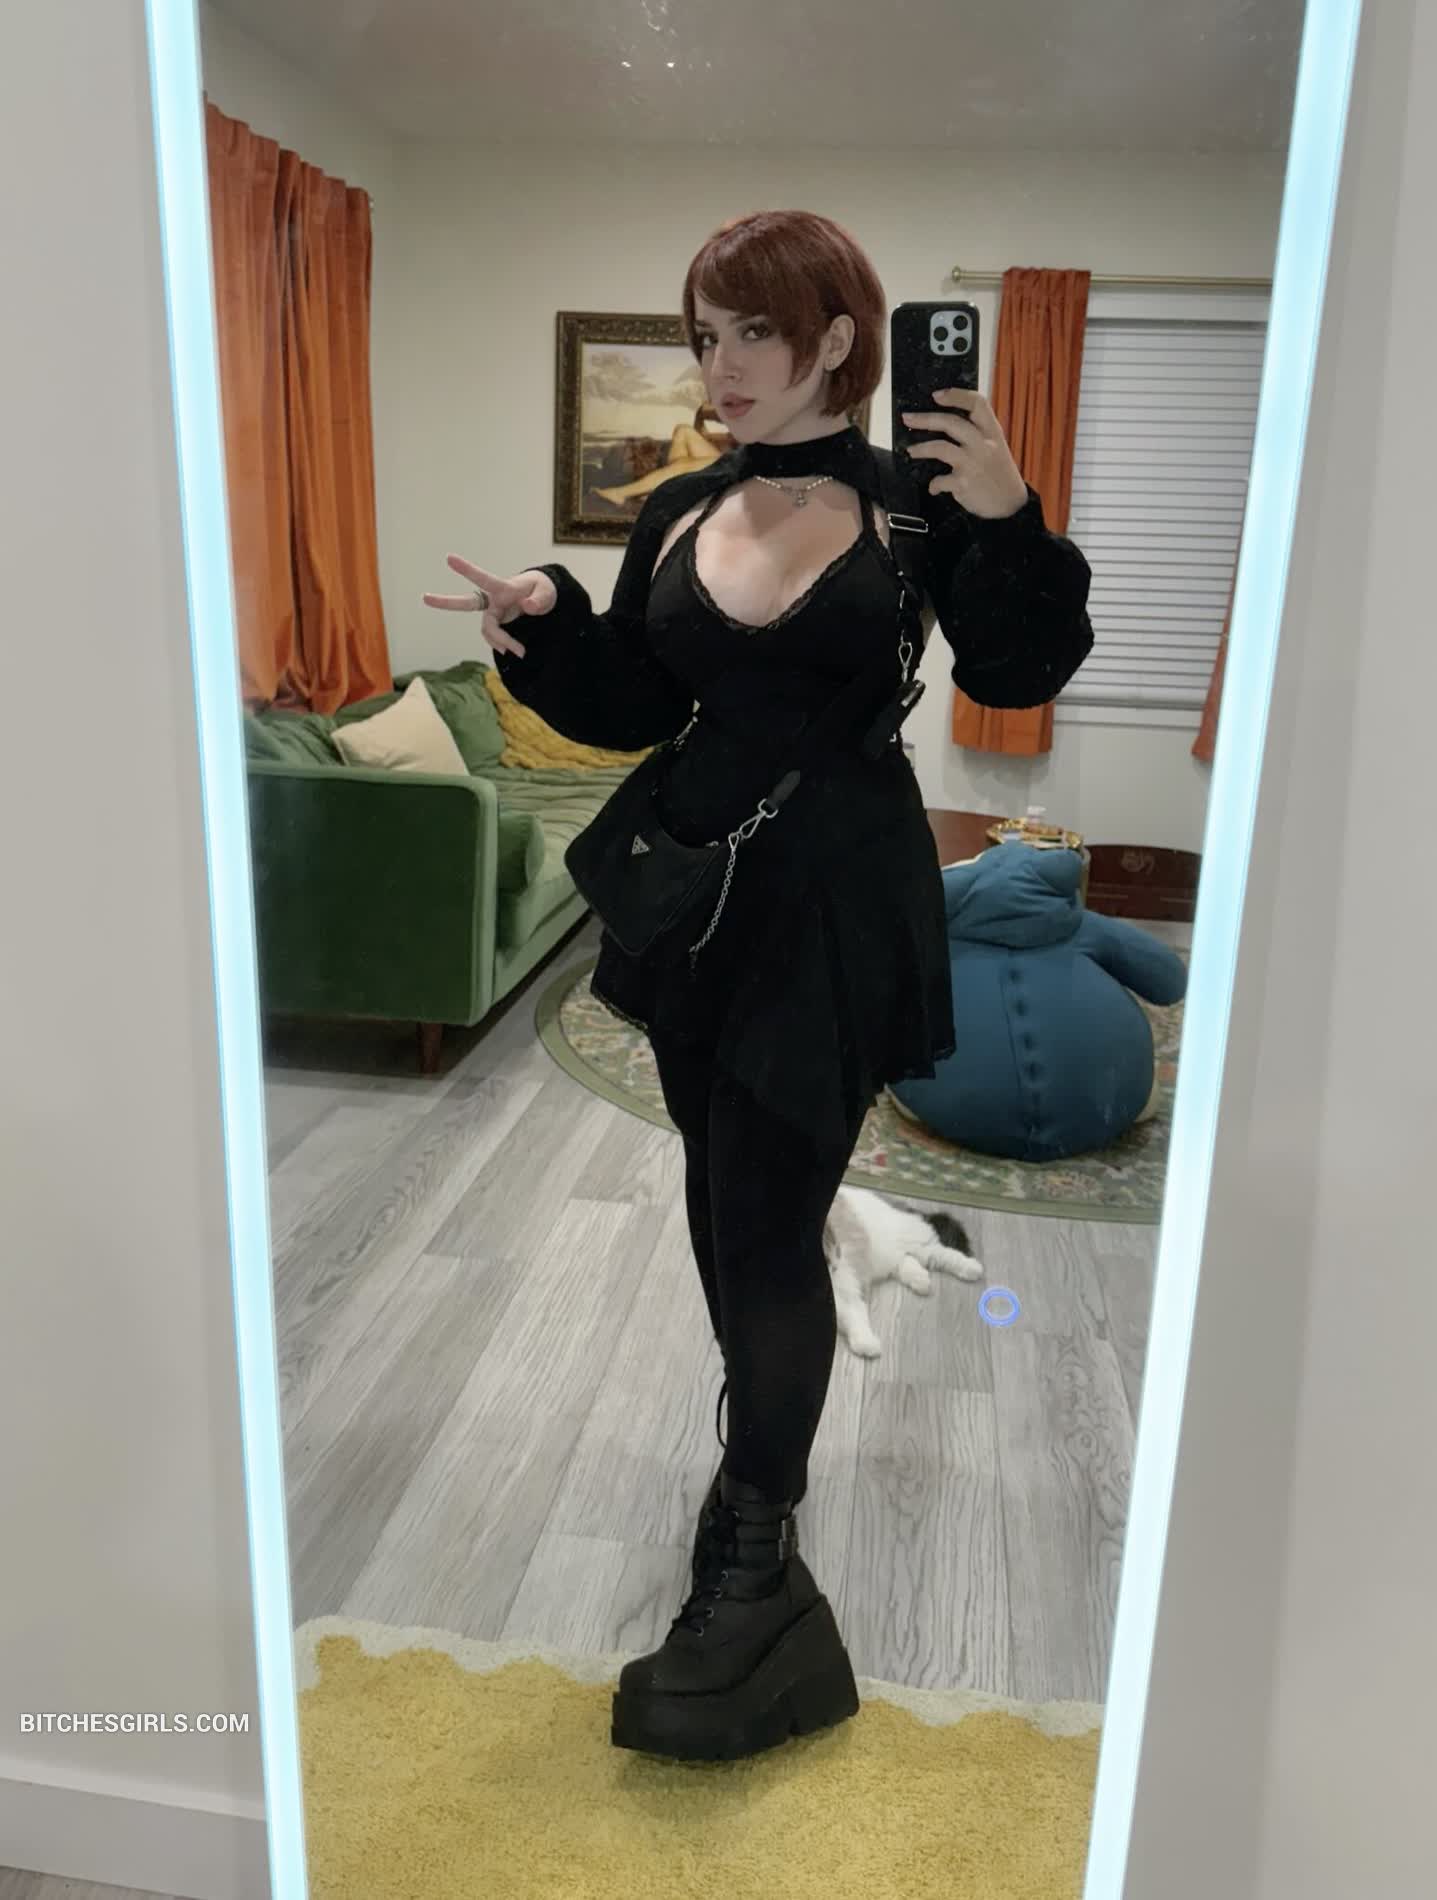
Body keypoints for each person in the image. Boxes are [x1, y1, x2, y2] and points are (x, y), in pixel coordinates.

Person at [422, 208, 1093, 1764]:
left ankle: (755, 1550)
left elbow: (1016, 671)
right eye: (704, 335)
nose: (718, 365)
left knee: (770, 1222)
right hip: (692, 899)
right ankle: (755, 1472)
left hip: (837, 902)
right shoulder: (678, 507)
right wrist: (548, 624)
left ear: (838, 339)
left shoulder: (917, 505)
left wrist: (1008, 517)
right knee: (723, 1195)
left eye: (751, 333)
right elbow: (634, 703)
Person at [591, 400, 733, 507]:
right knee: (683, 430)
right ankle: (665, 486)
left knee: (683, 465)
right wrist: (701, 415)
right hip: (731, 457)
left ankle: (622, 493)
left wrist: (720, 412)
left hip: (740, 465)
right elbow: (704, 433)